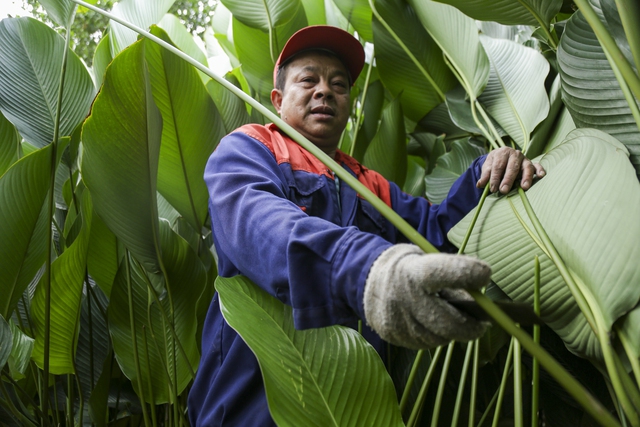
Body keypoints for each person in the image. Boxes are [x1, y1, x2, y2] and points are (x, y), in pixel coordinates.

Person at [188, 25, 545, 426]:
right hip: (250, 406)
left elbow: (436, 232)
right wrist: (370, 271)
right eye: (308, 80)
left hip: (355, 405)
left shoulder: (366, 183)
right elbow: (262, 225)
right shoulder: (249, 148)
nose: (325, 91)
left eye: (338, 84)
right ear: (278, 99)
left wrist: (487, 170)